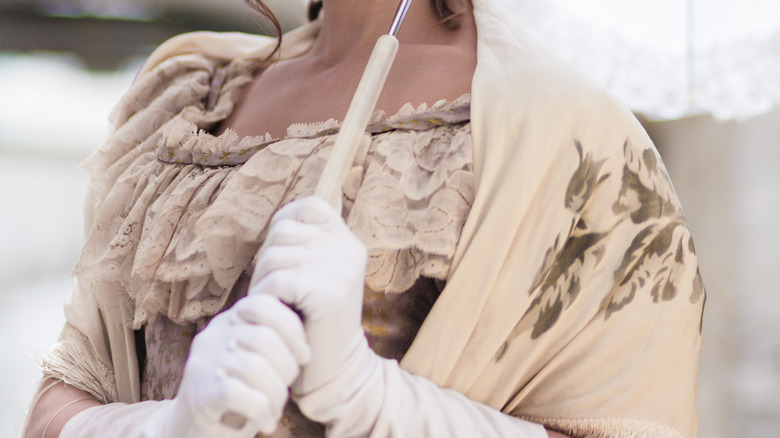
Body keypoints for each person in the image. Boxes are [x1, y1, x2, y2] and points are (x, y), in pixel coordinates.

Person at [24, 0, 705, 436]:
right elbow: (59, 401)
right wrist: (167, 428)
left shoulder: (567, 136)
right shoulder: (182, 97)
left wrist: (367, 395)